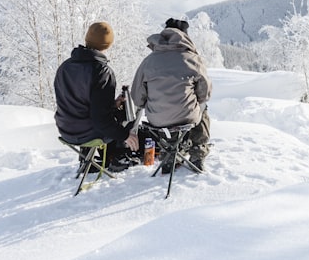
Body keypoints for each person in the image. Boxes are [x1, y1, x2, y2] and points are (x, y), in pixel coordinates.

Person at [54, 21, 139, 172]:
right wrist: (125, 135)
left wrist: (112, 104)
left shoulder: (65, 66)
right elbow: (101, 120)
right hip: (87, 133)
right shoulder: (102, 72)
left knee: (109, 115)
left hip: (65, 129)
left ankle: (88, 159)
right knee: (128, 113)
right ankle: (119, 158)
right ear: (108, 44)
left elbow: (78, 102)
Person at [131, 17, 212, 172]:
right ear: (185, 37)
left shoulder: (148, 61)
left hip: (157, 120)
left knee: (168, 114)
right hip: (187, 116)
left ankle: (169, 154)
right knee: (202, 108)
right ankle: (198, 152)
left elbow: (137, 97)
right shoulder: (192, 59)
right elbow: (205, 94)